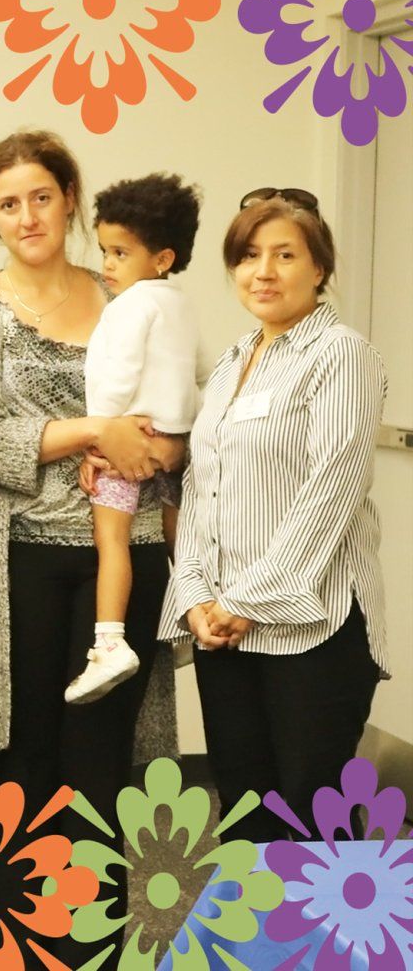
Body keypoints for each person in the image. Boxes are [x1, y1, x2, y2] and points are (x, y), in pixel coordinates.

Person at [0, 131, 184, 965]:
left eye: (41, 195)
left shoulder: (130, 290)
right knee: (20, 763)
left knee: (100, 766)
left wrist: (147, 446)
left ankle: (88, 951)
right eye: (8, 203)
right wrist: (96, 431)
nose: (28, 215)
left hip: (127, 554)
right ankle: (7, 949)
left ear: (71, 198)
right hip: (18, 561)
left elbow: (178, 418)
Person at [162, 189, 387, 844]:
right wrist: (199, 595)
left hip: (313, 627)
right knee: (245, 816)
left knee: (319, 824)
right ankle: (259, 950)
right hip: (225, 631)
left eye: (285, 255)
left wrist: (248, 600)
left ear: (318, 267)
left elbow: (331, 489)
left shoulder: (341, 354)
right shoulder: (232, 363)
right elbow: (201, 487)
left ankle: (336, 950)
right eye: (249, 255)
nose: (264, 270)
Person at [67, 174, 203, 703]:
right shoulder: (183, 304)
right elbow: (204, 373)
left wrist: (97, 441)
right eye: (105, 251)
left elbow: (114, 374)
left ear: (162, 257)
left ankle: (109, 644)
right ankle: (192, 617)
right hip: (171, 445)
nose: (107, 266)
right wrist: (182, 431)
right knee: (179, 538)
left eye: (120, 253)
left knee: (111, 542)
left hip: (125, 447)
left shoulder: (127, 307)